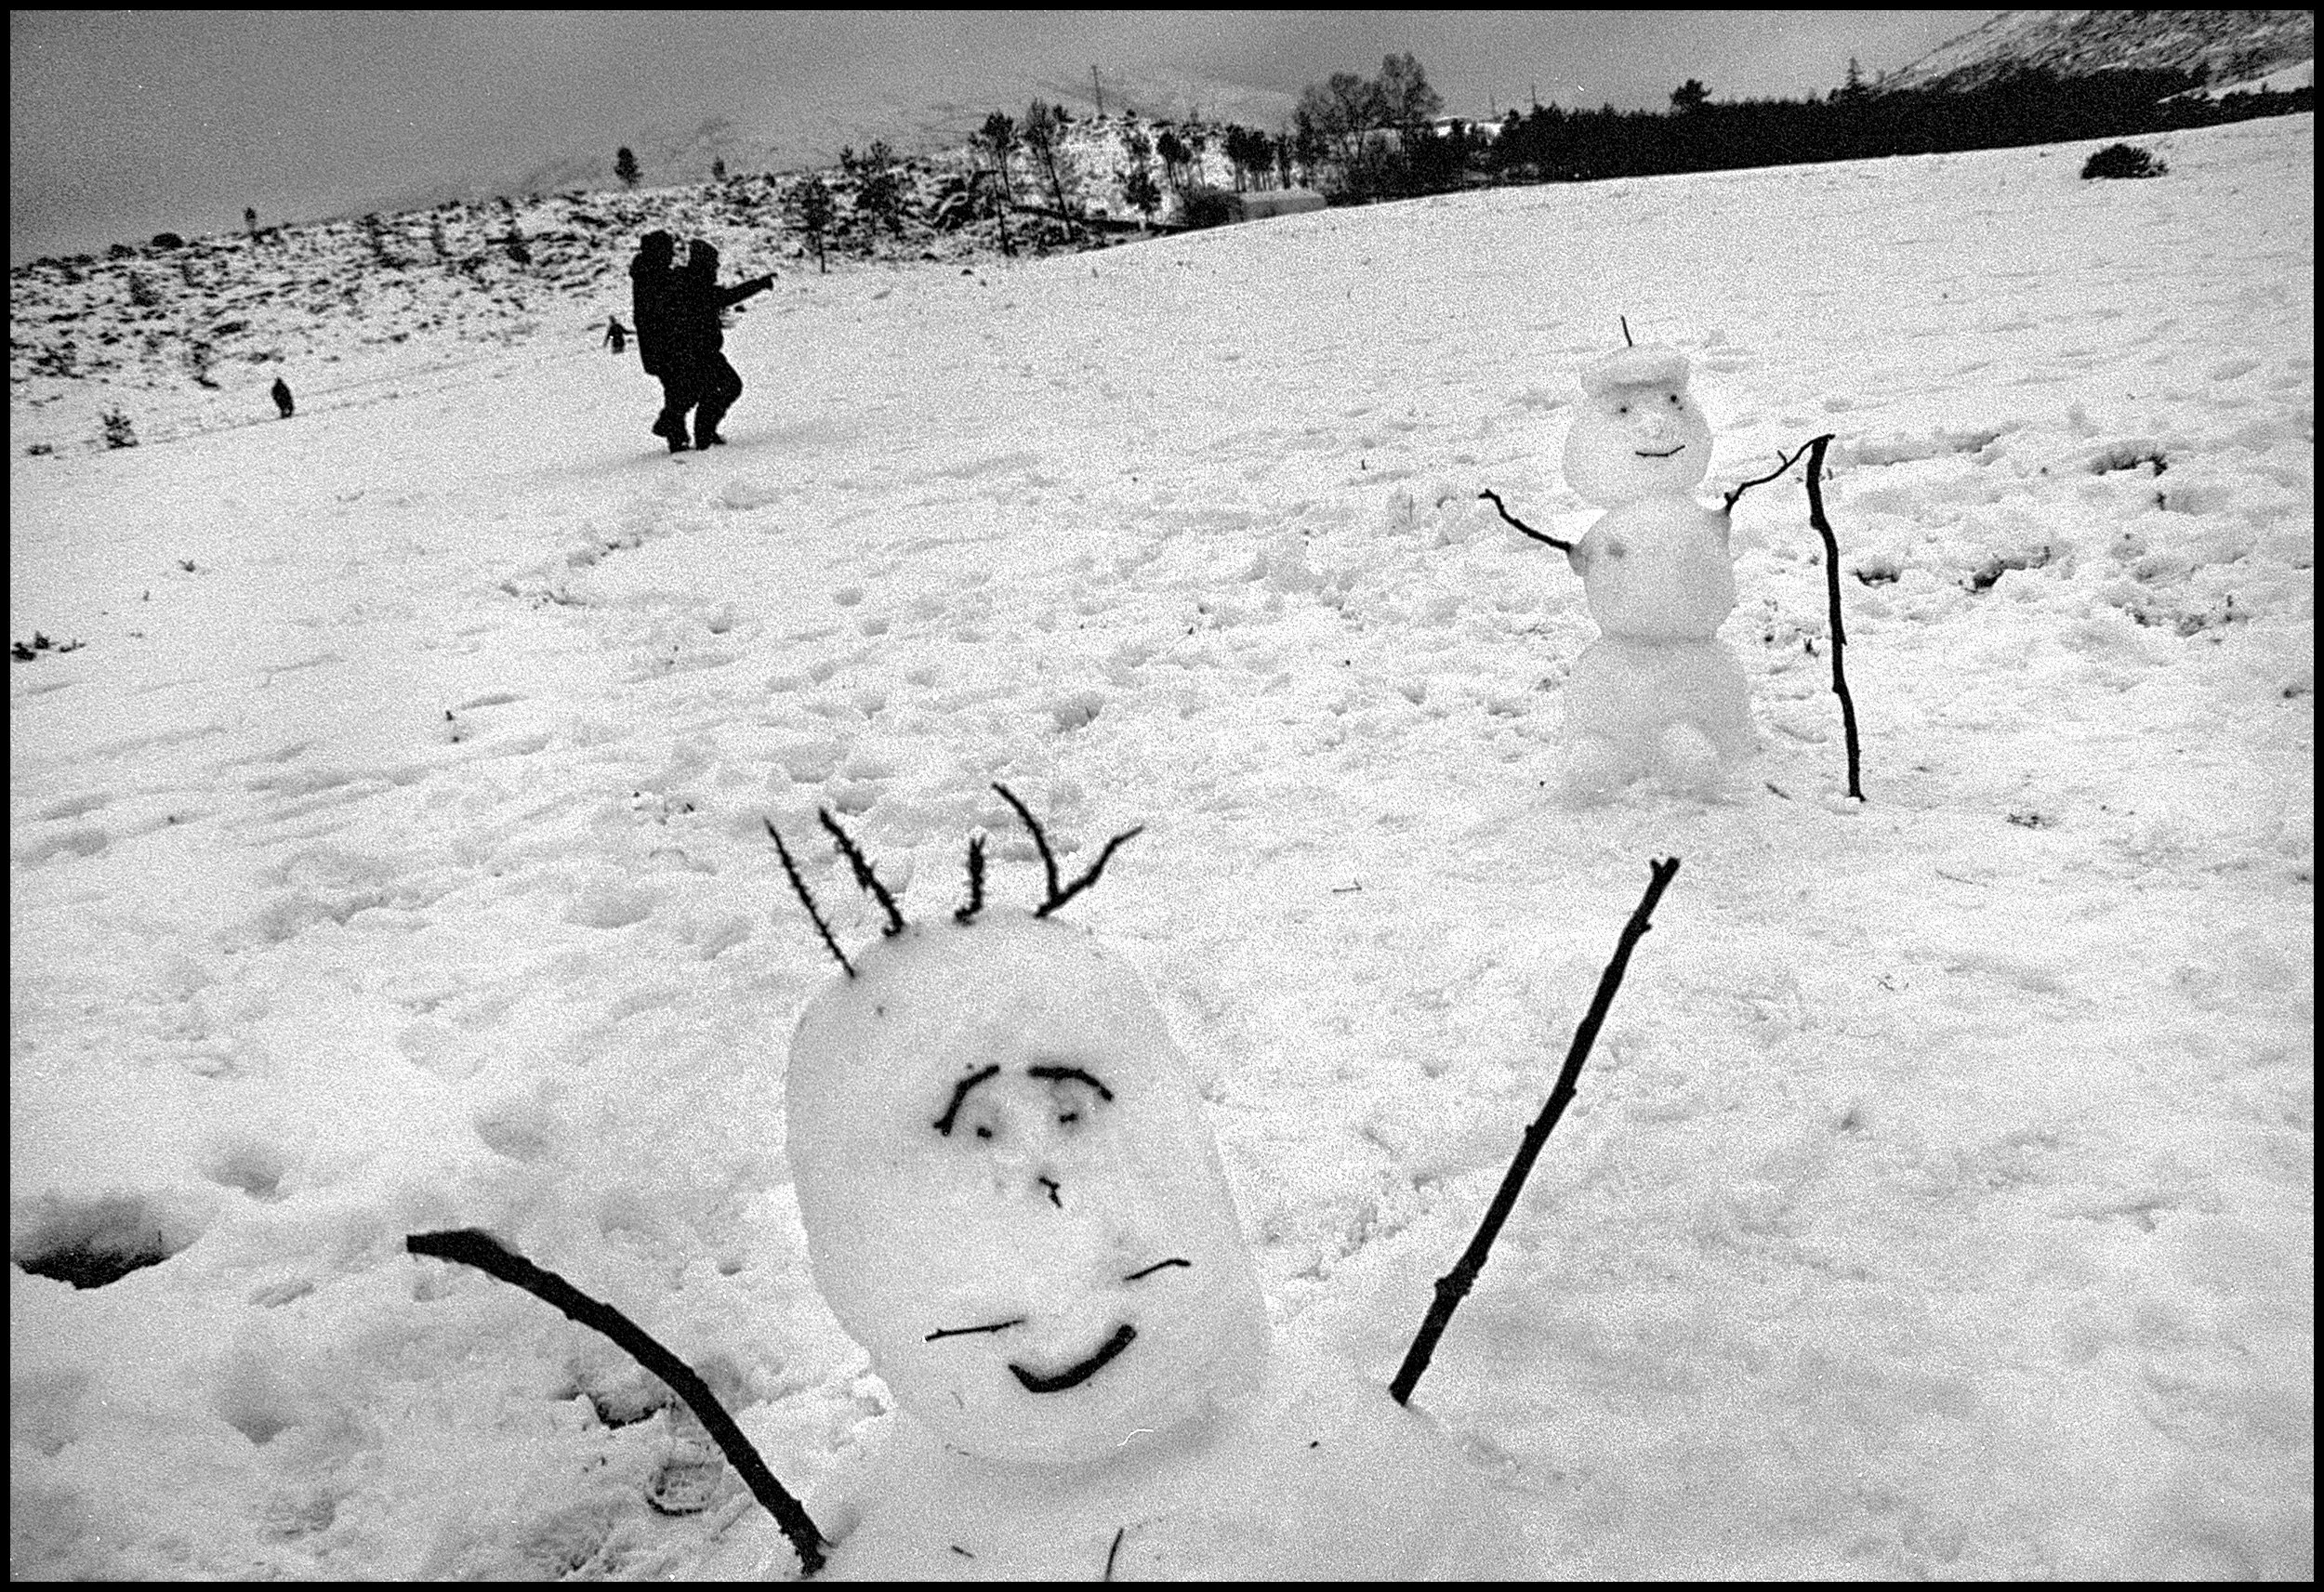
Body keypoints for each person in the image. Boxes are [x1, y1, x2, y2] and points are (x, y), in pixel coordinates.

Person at [666, 240, 773, 449]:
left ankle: (703, 433)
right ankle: (703, 434)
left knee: (714, 390)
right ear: (703, 264)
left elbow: (722, 298)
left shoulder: (692, 282)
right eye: (713, 262)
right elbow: (726, 297)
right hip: (699, 353)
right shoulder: (694, 285)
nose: (716, 267)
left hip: (700, 352)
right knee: (729, 386)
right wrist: (758, 284)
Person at [627, 230, 693, 452]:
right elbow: (663, 307)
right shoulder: (651, 276)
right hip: (663, 346)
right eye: (667, 250)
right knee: (679, 389)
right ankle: (671, 430)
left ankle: (675, 435)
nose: (671, 255)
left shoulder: (649, 273)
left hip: (662, 345)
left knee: (676, 389)